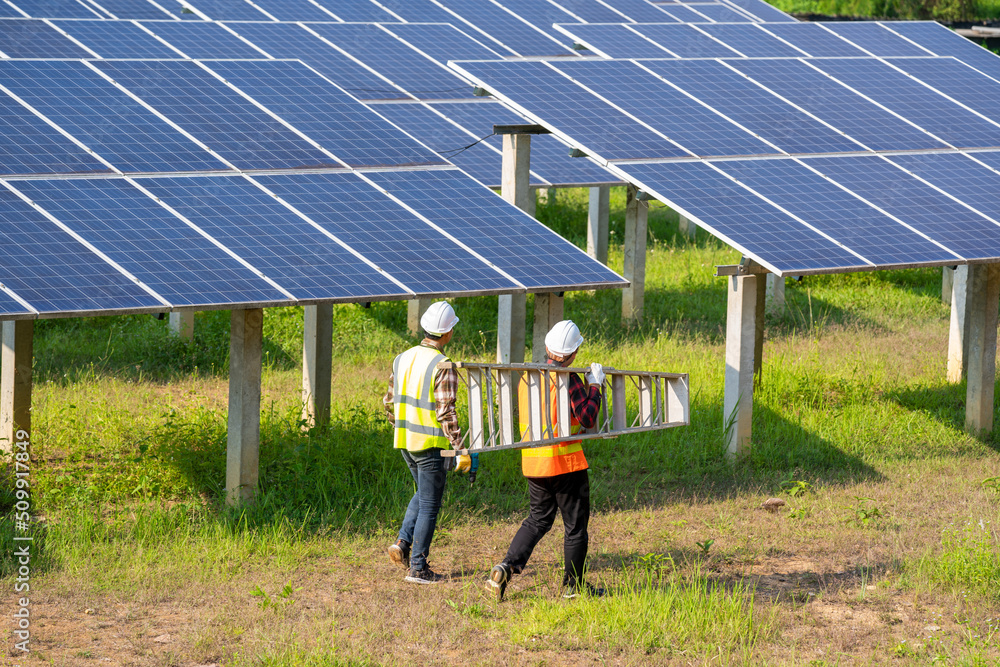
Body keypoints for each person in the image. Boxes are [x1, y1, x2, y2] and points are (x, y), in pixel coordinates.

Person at [486, 320, 605, 601]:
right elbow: (587, 418)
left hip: (535, 462)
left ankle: (506, 566)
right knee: (575, 527)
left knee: (538, 519)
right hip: (565, 463)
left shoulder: (531, 376)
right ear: (574, 352)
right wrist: (596, 386)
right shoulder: (569, 378)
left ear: (548, 347)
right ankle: (574, 588)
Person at [383, 301, 465, 585]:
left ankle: (403, 544)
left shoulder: (402, 358)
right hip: (430, 444)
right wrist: (460, 447)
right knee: (430, 503)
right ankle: (418, 568)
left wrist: (401, 428)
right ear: (449, 332)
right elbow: (446, 411)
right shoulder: (443, 364)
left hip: (405, 441)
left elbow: (389, 402)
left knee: (423, 494)